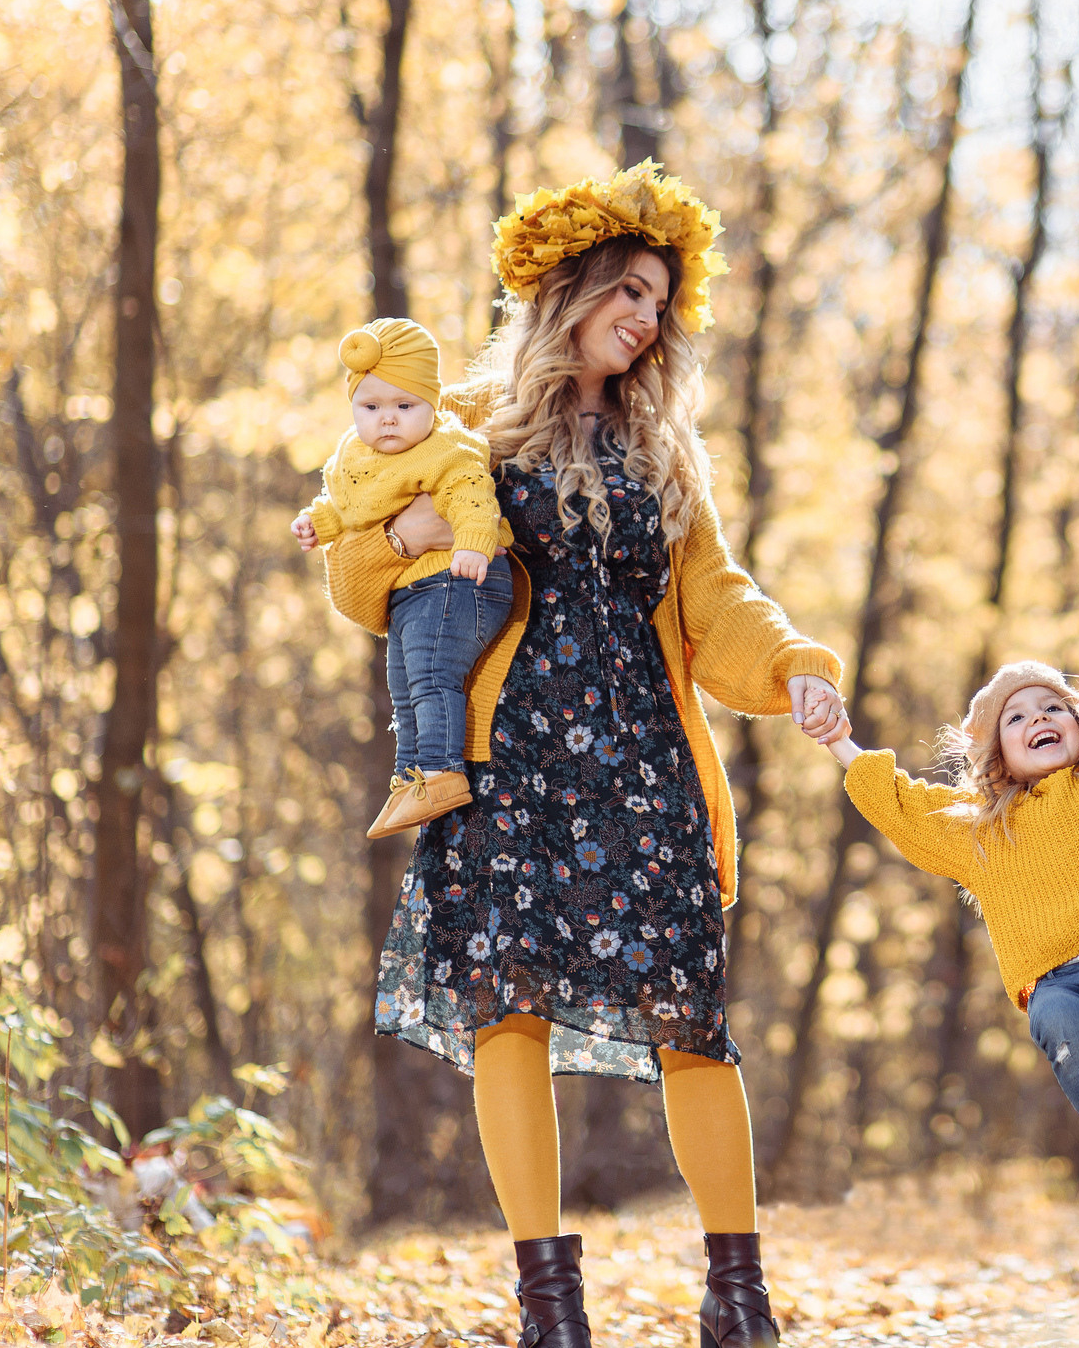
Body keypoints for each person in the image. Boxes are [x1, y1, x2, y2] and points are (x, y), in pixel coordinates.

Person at [321, 163, 847, 1348]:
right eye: (629, 292)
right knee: (508, 1012)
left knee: (690, 1016)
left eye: (661, 300)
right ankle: (549, 1308)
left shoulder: (667, 449)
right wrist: (404, 531)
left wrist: (798, 662)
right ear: (569, 291)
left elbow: (717, 600)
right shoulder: (454, 422)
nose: (647, 318)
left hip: (644, 767)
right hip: (504, 762)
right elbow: (357, 572)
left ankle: (739, 1295)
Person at [818, 549, 1079, 1248]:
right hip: (1055, 981)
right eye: (1018, 715)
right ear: (996, 754)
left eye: (1054, 704)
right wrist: (839, 742)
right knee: (1061, 1026)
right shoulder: (984, 832)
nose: (1040, 716)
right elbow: (905, 809)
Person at [292, 316, 515, 839]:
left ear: (431, 405)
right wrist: (317, 525)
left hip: (462, 580)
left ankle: (441, 771)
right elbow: (344, 507)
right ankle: (410, 775)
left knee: (434, 672)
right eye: (371, 407)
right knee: (403, 684)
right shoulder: (355, 454)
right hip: (411, 595)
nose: (387, 420)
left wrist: (474, 546)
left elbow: (472, 499)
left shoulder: (447, 447)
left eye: (403, 406)